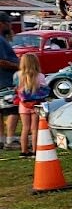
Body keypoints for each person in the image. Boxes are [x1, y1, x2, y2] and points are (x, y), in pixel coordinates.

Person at [15, 53, 49, 157]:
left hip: (23, 105)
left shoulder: (17, 75)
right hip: (36, 105)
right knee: (35, 129)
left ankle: (24, 151)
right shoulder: (40, 76)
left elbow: (16, 89)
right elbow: (44, 90)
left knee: (25, 128)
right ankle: (35, 150)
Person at [0, 21, 20, 149]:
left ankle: (1, 139)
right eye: (8, 23)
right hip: (5, 81)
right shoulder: (0, 40)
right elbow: (1, 61)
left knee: (0, 111)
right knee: (13, 110)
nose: (10, 26)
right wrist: (19, 66)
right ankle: (10, 140)